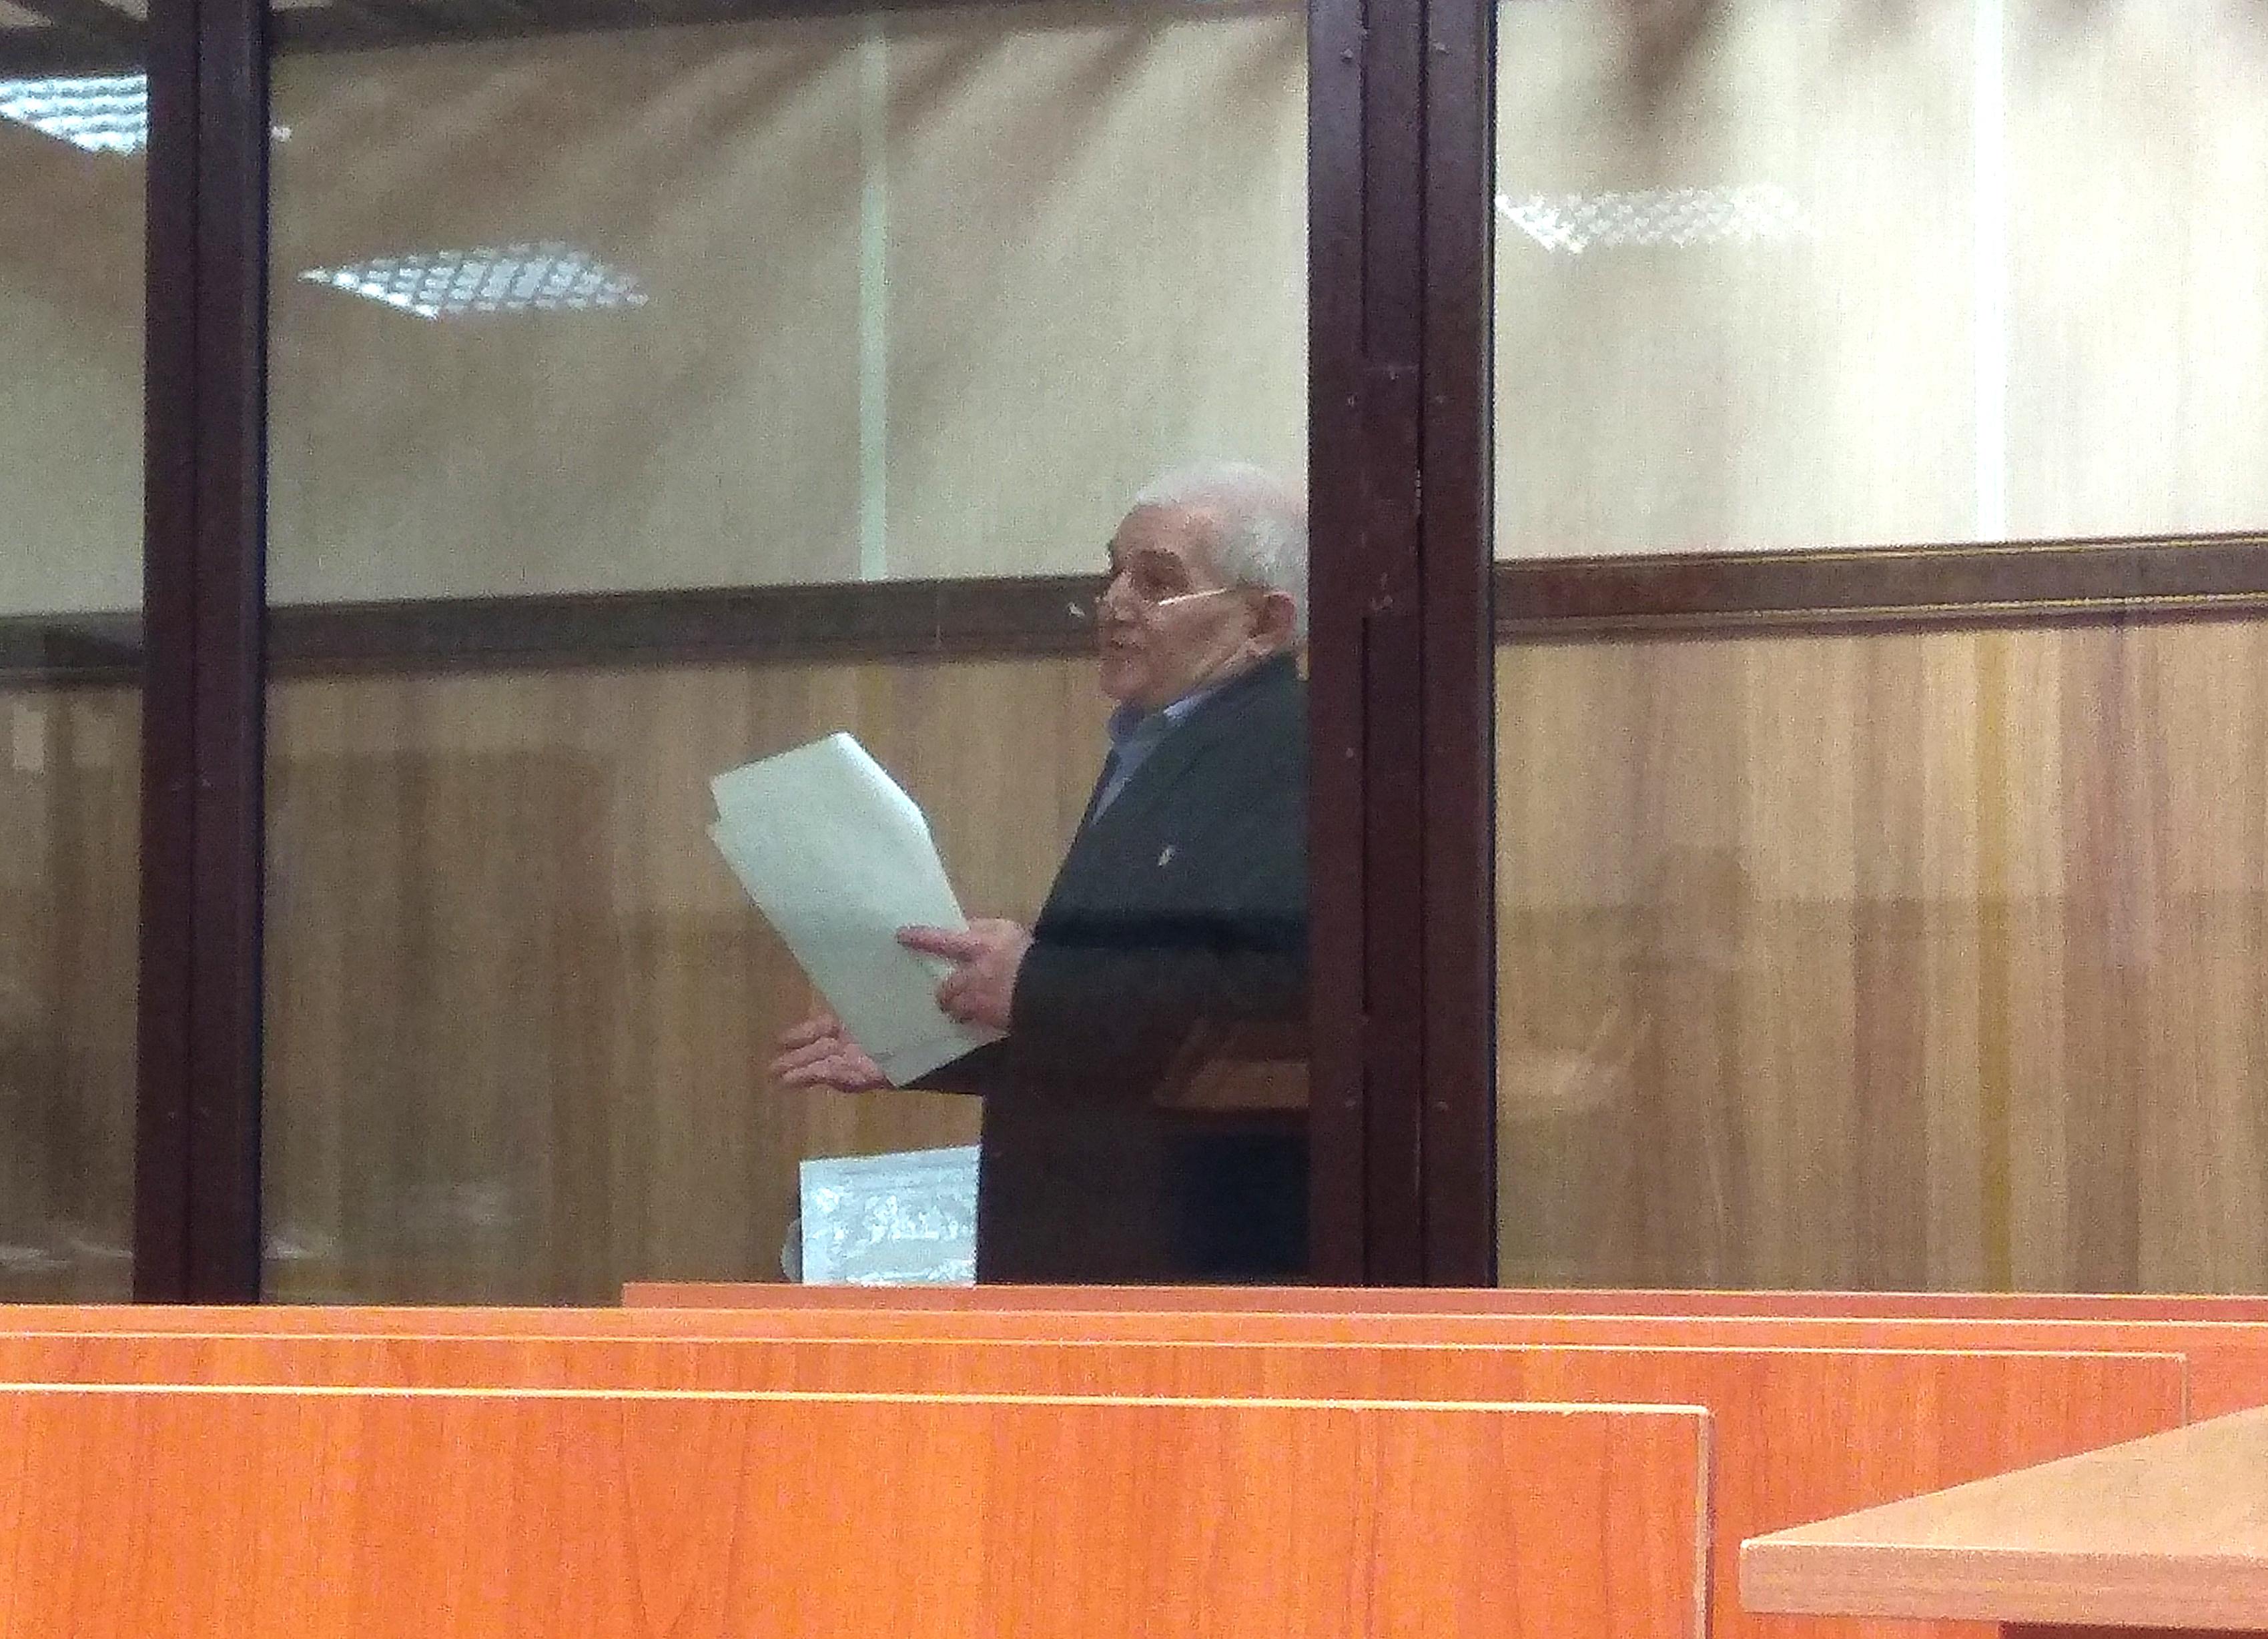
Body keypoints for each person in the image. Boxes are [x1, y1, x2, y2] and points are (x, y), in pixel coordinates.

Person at [771, 462, 1308, 1281]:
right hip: (1100, 1235)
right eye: (1113, 572)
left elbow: (1276, 1002)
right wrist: (926, 1042)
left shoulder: (1292, 756)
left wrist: (1036, 986)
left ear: (1265, 623)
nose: (1114, 603)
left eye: (1157, 582)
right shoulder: (1158, 743)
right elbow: (1128, 1035)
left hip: (1192, 1247)